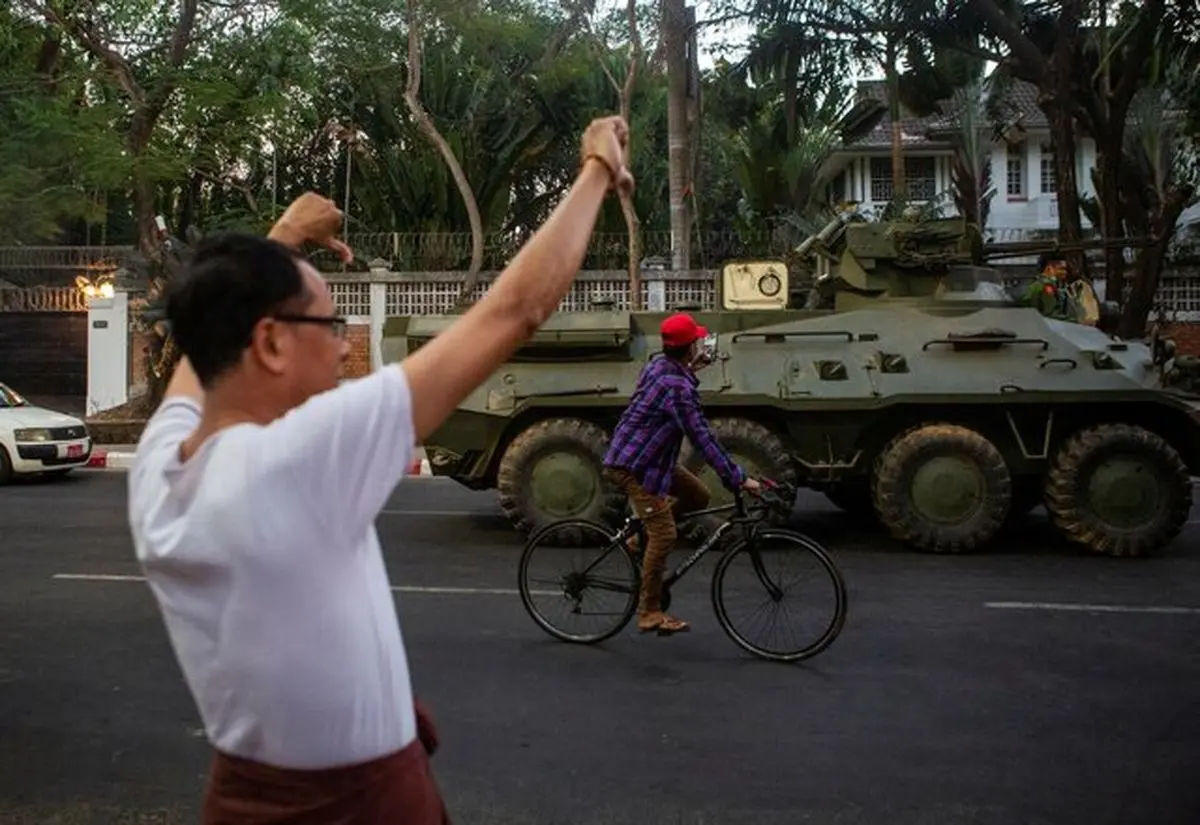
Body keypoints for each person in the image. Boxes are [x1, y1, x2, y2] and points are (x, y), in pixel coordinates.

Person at [126, 116, 634, 824]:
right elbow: (515, 311)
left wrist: (282, 236)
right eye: (331, 327)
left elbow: (201, 351)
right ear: (270, 342)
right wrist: (596, 170)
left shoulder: (160, 468)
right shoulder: (294, 460)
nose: (343, 348)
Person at [602, 312, 762, 636]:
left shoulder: (660, 365)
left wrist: (690, 367)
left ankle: (637, 541)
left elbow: (672, 383)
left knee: (698, 495)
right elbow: (702, 436)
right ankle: (649, 611)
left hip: (653, 460)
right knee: (665, 535)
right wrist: (737, 477)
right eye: (696, 342)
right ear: (689, 347)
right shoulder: (677, 387)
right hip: (633, 466)